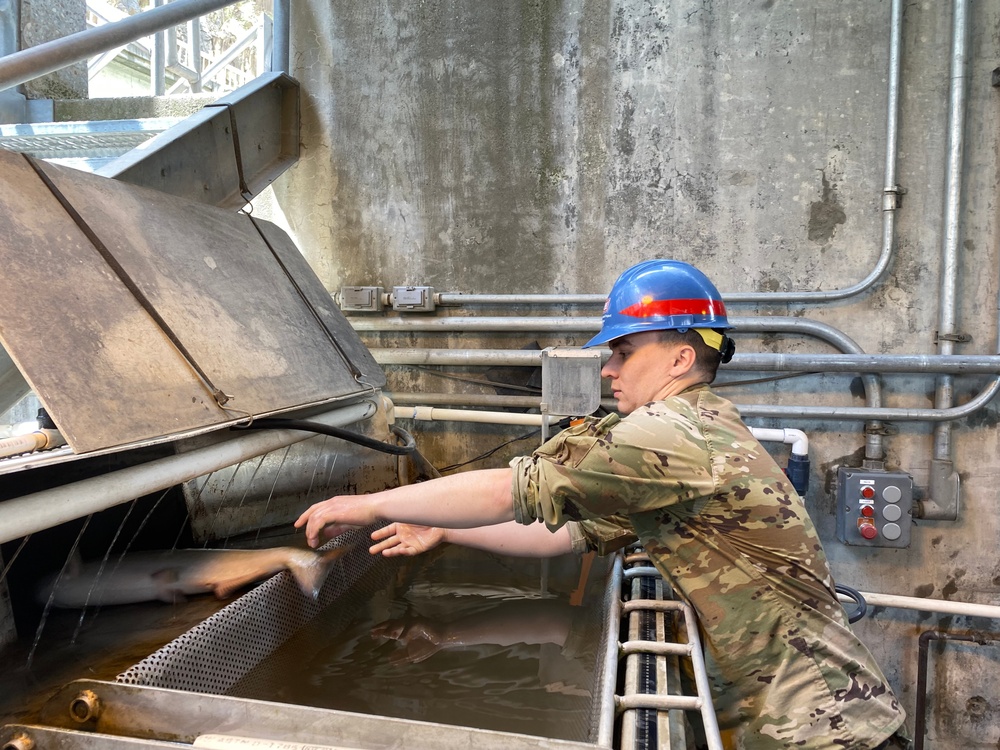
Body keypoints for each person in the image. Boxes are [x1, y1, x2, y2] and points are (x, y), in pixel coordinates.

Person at [296, 259, 909, 750]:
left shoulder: (672, 434)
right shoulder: (693, 433)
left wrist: (372, 503)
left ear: (679, 358)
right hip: (801, 714)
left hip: (822, 724)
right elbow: (563, 534)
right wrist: (444, 532)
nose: (608, 369)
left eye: (623, 352)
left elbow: (511, 487)